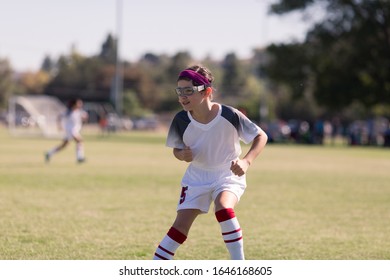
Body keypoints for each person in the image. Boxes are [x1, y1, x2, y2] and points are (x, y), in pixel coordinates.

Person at [153, 65, 268, 260]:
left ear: (206, 91)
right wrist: (182, 155)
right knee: (179, 227)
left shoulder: (229, 115)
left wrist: (247, 162)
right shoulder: (180, 119)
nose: (182, 96)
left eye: (188, 90)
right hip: (196, 177)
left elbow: (261, 136)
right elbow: (176, 150)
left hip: (227, 175)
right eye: (179, 91)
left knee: (223, 207)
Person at [45, 98, 88, 163]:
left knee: (64, 145)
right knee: (79, 141)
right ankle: (80, 157)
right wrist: (59, 126)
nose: (80, 104)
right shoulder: (69, 112)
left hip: (75, 130)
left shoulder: (79, 112)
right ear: (74, 104)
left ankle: (49, 153)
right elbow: (59, 116)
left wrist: (85, 119)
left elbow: (83, 119)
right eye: (79, 103)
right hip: (70, 130)